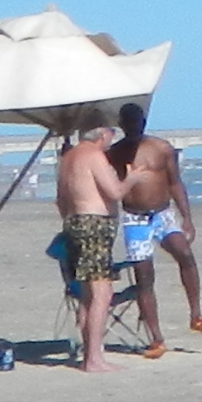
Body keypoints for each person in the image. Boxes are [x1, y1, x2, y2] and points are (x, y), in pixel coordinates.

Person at [112, 103, 202, 349]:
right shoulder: (114, 153)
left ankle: (196, 315)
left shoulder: (161, 148)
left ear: (144, 122)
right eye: (129, 122)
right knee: (144, 276)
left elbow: (175, 182)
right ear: (121, 124)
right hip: (135, 218)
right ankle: (156, 339)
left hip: (162, 213)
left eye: (138, 122)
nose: (134, 127)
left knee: (185, 254)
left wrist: (187, 218)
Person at [53, 119, 126, 374]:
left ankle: (89, 356)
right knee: (102, 293)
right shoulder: (93, 155)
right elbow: (115, 192)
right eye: (111, 133)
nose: (112, 138)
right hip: (94, 224)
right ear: (102, 134)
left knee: (87, 294)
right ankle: (93, 358)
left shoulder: (68, 158)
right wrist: (133, 178)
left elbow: (60, 201)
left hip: (74, 223)